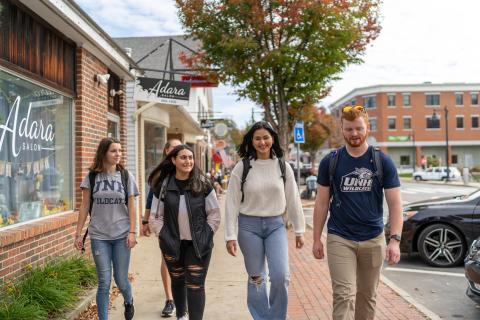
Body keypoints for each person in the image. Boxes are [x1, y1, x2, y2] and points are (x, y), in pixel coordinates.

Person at [312, 105, 403, 320]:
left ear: (368, 128)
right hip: (339, 237)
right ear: (342, 129)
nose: (354, 134)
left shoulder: (383, 161)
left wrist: (395, 240)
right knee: (343, 295)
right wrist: (316, 239)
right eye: (349, 129)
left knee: (367, 296)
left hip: (373, 238)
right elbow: (321, 203)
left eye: (359, 129)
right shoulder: (331, 161)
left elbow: (396, 204)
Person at [225, 121, 305, 320]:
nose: (262, 142)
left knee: (280, 276)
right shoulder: (241, 167)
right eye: (258, 138)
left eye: (266, 137)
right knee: (257, 278)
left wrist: (299, 230)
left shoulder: (282, 166)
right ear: (251, 141)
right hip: (248, 227)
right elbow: (231, 203)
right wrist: (230, 235)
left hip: (275, 225)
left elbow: (293, 199)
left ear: (273, 139)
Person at [149, 144, 220, 320]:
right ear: (173, 160)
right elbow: (155, 217)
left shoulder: (203, 184)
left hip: (198, 244)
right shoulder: (163, 186)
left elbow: (214, 213)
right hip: (172, 243)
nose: (188, 161)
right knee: (178, 280)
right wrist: (164, 236)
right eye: (183, 157)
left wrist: (207, 234)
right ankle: (181, 316)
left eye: (190, 157)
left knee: (196, 285)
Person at [74, 137, 139, 320]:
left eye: (120, 150)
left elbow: (132, 207)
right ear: (103, 153)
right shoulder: (92, 177)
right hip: (99, 235)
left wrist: (132, 232)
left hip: (121, 235)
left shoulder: (126, 176)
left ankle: (128, 300)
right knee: (104, 282)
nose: (118, 154)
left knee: (121, 280)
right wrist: (78, 234)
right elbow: (85, 205)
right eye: (113, 151)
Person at [142, 138, 181, 317]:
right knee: (167, 259)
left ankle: (182, 295)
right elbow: (151, 198)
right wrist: (145, 221)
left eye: (179, 147)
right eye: (173, 147)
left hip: (185, 222)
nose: (177, 150)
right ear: (166, 150)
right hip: (164, 221)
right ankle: (170, 299)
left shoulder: (188, 168)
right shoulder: (160, 173)